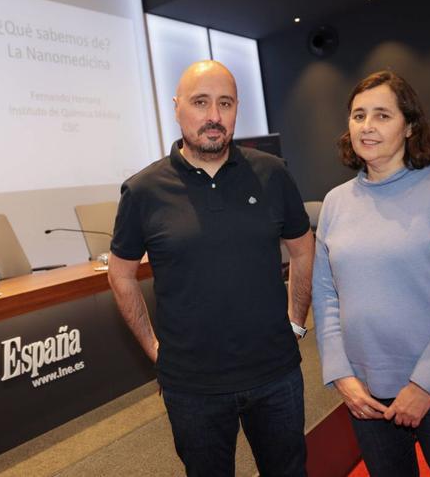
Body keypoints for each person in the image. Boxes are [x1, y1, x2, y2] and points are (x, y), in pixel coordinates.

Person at [108, 60, 314, 476]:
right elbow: (121, 273)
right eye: (200, 103)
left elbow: (304, 250)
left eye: (225, 103)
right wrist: (154, 349)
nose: (214, 117)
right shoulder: (143, 190)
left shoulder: (273, 174)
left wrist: (295, 324)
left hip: (275, 374)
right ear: (177, 107)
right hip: (191, 388)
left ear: (238, 108)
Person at [312, 70, 430, 477]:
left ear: (409, 125)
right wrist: (341, 374)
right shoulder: (335, 203)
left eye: (382, 115)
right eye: (358, 115)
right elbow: (326, 298)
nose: (367, 126)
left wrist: (424, 386)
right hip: (367, 398)